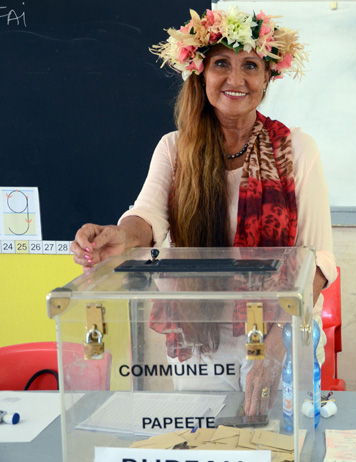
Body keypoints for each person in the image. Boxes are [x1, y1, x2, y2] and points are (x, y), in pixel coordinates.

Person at [70, 7, 335, 417]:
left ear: (268, 77)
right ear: (201, 73)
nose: (236, 79)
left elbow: (318, 261)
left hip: (280, 331)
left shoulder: (297, 150)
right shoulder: (174, 148)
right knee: (203, 441)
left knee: (279, 443)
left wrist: (275, 349)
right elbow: (146, 217)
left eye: (250, 65)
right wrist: (121, 236)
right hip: (200, 338)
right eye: (221, 64)